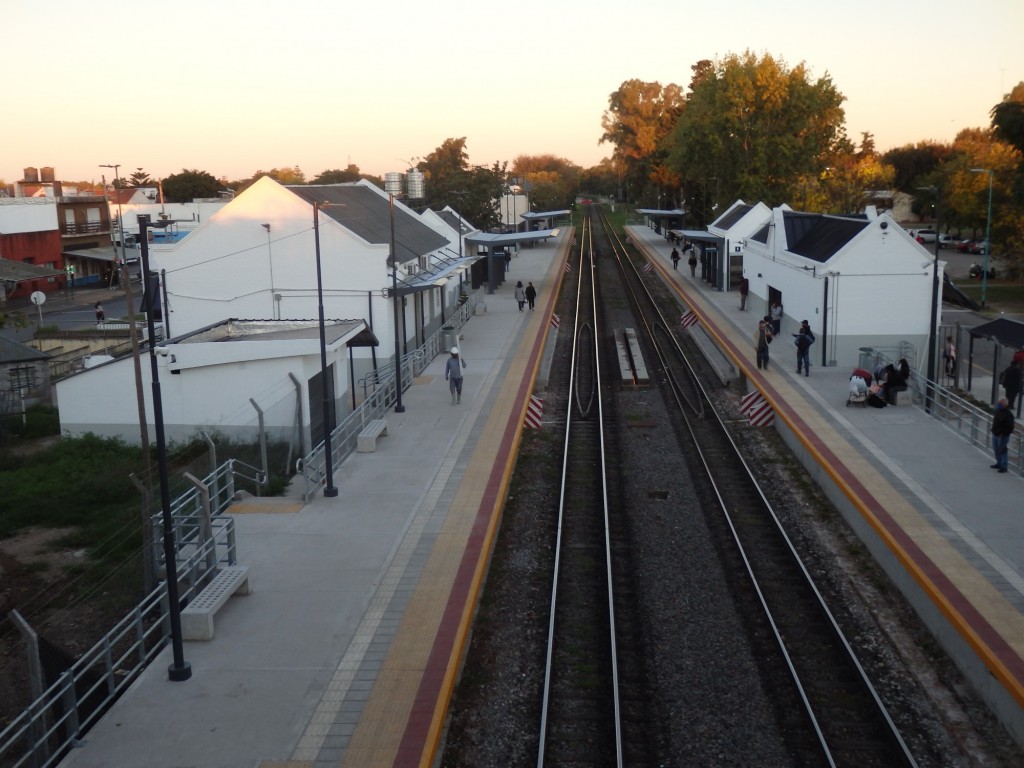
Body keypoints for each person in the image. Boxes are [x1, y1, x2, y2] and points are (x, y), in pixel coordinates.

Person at [991, 398, 1014, 473]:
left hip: (1002, 436)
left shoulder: (1008, 414)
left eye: (1000, 403)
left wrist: (1003, 434)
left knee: (1002, 451)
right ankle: (999, 463)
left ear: (1005, 404)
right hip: (995, 433)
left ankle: (1004, 466)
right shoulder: (998, 411)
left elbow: (1010, 427)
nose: (999, 404)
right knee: (996, 449)